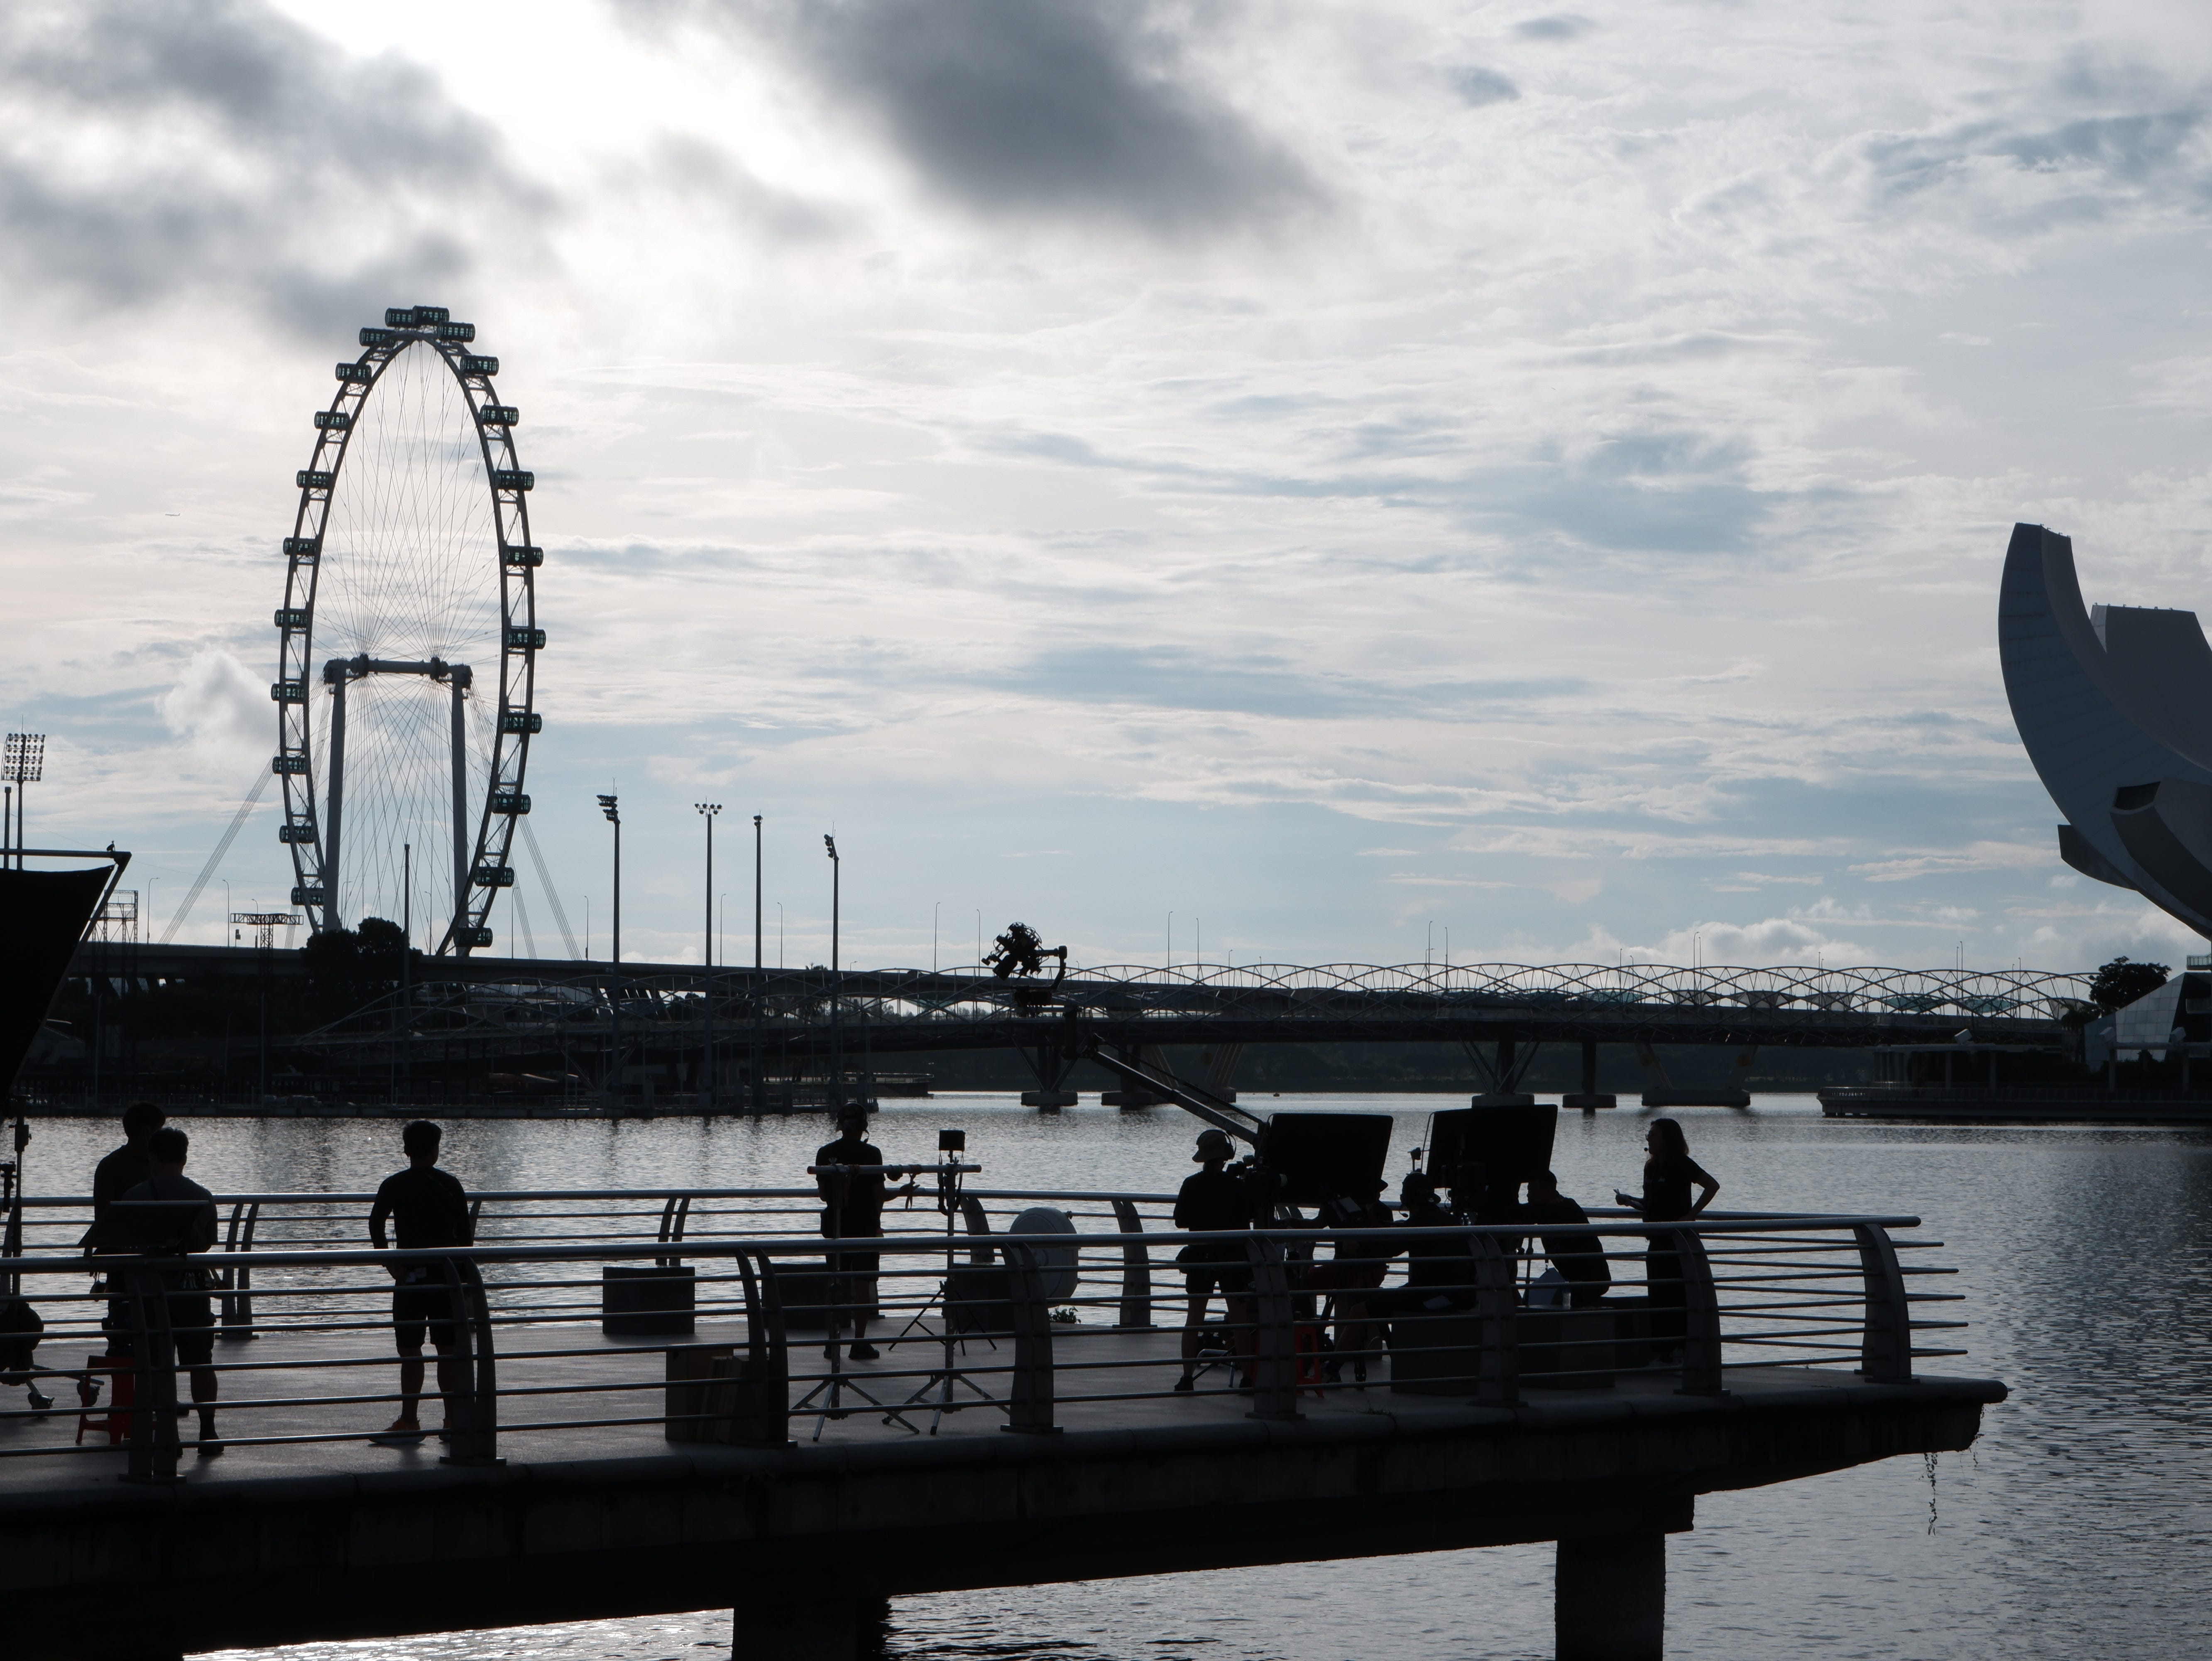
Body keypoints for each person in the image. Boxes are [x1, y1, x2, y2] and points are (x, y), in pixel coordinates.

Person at [117, 1127, 222, 1454]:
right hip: (192, 1291)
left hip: (150, 1291)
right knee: (201, 1361)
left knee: (160, 1365)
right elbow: (207, 1242)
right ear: (185, 1157)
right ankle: (208, 1433)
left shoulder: (135, 1196)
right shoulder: (203, 1196)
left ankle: (169, 1435)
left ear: (152, 1157)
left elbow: (123, 1241)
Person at [368, 1121, 473, 1445]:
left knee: (410, 1348)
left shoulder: (395, 1184)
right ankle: (453, 1420)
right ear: (435, 1150)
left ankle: (410, 1420)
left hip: (410, 1276)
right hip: (446, 1277)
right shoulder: (450, 1185)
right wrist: (464, 1281)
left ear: (406, 1150)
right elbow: (465, 1238)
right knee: (448, 1350)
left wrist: (389, 1261)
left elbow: (376, 1223)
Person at [813, 1107, 914, 1362]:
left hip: (836, 1228)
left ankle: (832, 1342)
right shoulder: (872, 1154)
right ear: (863, 1127)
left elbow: (824, 1196)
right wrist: (901, 1191)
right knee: (862, 1285)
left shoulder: (825, 1154)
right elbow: (879, 1195)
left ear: (840, 1126)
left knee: (834, 1284)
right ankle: (859, 1343)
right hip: (866, 1227)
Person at [1172, 1128, 1254, 1392]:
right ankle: (1248, 1377)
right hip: (1232, 1256)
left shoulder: (1191, 1184)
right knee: (1239, 1318)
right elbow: (1248, 1219)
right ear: (1226, 1156)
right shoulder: (1238, 1186)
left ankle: (1187, 1378)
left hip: (1200, 1255)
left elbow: (1181, 1221)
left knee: (1194, 1318)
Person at [1637, 1118, 1718, 1363]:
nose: (1649, 1139)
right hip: (1656, 1240)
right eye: (1648, 1135)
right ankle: (1662, 1352)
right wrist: (1632, 1202)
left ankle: (1680, 1351)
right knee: (1658, 1296)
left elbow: (1712, 1186)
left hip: (1677, 1239)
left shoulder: (1681, 1164)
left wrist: (1691, 1216)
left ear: (1667, 1139)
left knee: (1675, 1295)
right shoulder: (1650, 1168)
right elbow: (1650, 1201)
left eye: (1654, 1135)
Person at [1307, 1177, 1398, 1384]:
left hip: (1360, 1270)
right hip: (1353, 1269)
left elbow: (1316, 1226)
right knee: (1308, 1284)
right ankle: (1316, 1342)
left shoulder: (1375, 1211)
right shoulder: (1347, 1209)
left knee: (1307, 1283)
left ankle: (1317, 1347)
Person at [1521, 1171, 1611, 1308]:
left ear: (1548, 1191)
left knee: (1558, 1305)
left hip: (1589, 1278)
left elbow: (1522, 1213)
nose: (1528, 1195)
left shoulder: (1563, 1210)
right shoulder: (1554, 1208)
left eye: (1532, 1191)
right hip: (1577, 1279)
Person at [85, 1101, 166, 1247]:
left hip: (122, 1250)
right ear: (148, 1132)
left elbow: (102, 1216)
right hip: (136, 1249)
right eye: (160, 1130)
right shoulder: (161, 1165)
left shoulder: (109, 1165)